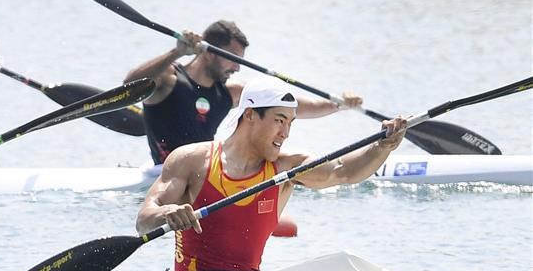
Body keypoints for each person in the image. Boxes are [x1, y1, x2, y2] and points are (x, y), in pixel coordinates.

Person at [135, 76, 406, 271]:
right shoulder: (191, 160)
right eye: (279, 120)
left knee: (340, 266)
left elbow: (343, 171)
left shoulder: (287, 167)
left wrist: (383, 146)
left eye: (290, 123)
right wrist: (168, 213)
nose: (285, 133)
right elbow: (144, 220)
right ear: (250, 115)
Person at [123, 21, 363, 165]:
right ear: (209, 52)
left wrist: (339, 104)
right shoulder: (168, 79)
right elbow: (129, 85)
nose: (237, 68)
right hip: (164, 172)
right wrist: (177, 52)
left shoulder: (230, 92)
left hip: (204, 170)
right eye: (232, 59)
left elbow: (291, 105)